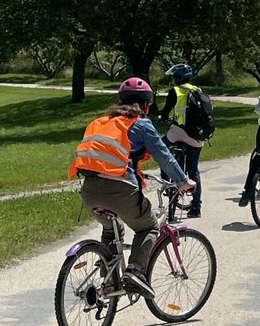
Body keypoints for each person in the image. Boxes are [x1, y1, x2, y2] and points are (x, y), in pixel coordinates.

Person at [68, 77, 195, 297]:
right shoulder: (141, 123)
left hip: (89, 190)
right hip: (119, 190)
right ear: (146, 104)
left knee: (111, 228)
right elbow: (164, 156)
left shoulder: (101, 121)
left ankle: (108, 281)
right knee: (148, 227)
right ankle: (136, 271)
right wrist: (183, 181)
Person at [157, 62, 204, 218]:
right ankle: (196, 207)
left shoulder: (175, 91)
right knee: (193, 169)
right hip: (197, 135)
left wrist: (162, 118)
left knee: (161, 149)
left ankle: (166, 180)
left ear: (177, 78)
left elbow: (165, 113)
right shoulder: (198, 90)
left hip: (180, 131)